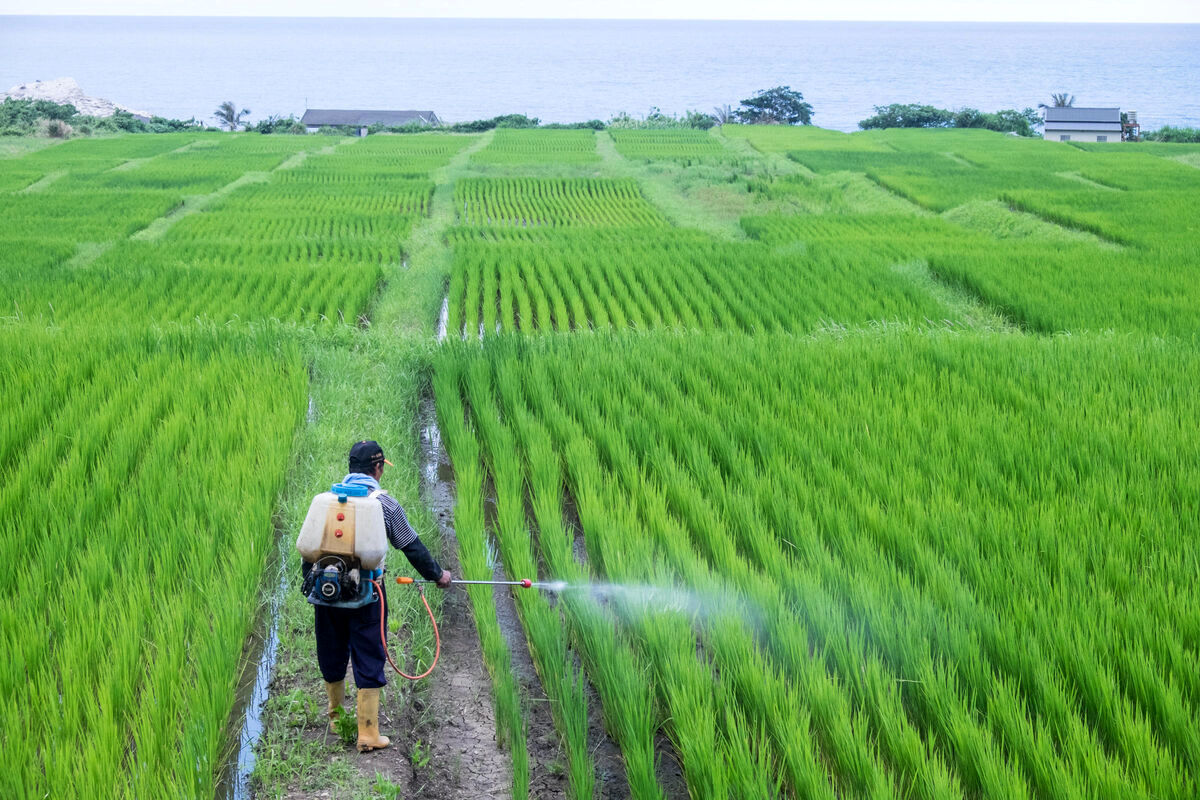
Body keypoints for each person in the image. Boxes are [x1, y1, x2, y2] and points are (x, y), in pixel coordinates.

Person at [307, 440, 451, 753]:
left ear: (350, 468)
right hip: (369, 593)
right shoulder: (384, 504)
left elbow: (308, 551)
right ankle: (368, 733)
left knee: (330, 649)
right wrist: (438, 575)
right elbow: (411, 546)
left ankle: (335, 719)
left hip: (325, 591)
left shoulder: (326, 500)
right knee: (369, 652)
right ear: (378, 468)